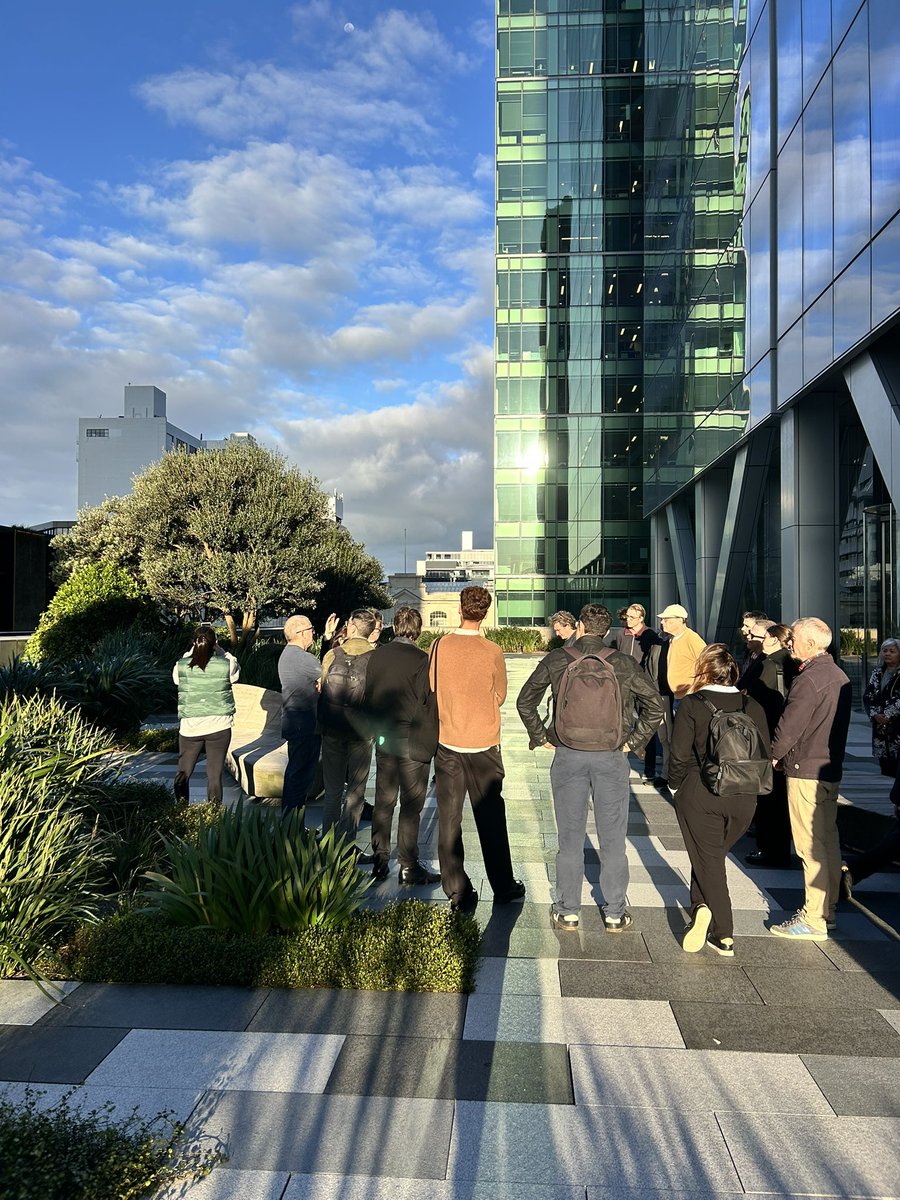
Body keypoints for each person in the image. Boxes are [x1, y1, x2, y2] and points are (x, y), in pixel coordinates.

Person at [516, 603, 665, 934]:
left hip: (568, 754)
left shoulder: (559, 658)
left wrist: (541, 736)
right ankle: (614, 912)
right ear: (608, 631)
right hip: (611, 757)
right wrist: (632, 741)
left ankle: (568, 910)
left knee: (570, 837)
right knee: (613, 837)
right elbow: (655, 706)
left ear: (581, 626)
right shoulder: (623, 662)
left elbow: (525, 701)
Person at [669, 644, 771, 957]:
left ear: (703, 670)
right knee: (710, 857)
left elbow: (678, 754)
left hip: (702, 790)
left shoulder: (693, 703)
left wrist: (675, 787)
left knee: (709, 859)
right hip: (744, 797)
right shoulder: (752, 704)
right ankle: (700, 906)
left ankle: (723, 933)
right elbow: (764, 751)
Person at [428, 585, 525, 914]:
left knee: (449, 820)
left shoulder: (439, 646)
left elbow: (431, 687)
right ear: (485, 613)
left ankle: (457, 890)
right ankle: (503, 885)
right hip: (484, 744)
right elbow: (499, 695)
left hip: (448, 743)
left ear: (460, 608)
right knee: (492, 819)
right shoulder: (492, 651)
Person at [769, 617, 852, 940]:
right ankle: (827, 910)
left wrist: (775, 755)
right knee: (828, 841)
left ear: (812, 644)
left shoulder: (809, 679)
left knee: (809, 845)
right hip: (828, 769)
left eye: (795, 638)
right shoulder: (837, 675)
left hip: (805, 770)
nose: (790, 642)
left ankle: (814, 917)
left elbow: (791, 725)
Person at [364, 606, 439, 885]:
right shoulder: (422, 660)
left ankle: (380, 860)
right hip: (413, 739)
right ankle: (408, 864)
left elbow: (368, 694)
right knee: (411, 804)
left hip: (385, 737)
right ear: (417, 630)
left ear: (394, 628)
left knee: (384, 800)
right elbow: (427, 699)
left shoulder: (377, 656)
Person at [318, 608, 379, 846]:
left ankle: (327, 843)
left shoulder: (332, 655)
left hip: (331, 728)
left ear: (351, 627)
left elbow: (323, 688)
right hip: (361, 733)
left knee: (332, 791)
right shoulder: (377, 659)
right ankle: (347, 845)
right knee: (356, 791)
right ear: (371, 631)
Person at [744, 621, 796, 868]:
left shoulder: (771, 663)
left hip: (767, 734)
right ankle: (775, 848)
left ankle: (769, 849)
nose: (754, 640)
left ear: (774, 639)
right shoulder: (787, 661)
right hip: (776, 735)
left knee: (769, 796)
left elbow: (759, 697)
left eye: (760, 636)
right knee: (775, 797)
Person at [172, 626, 240, 805]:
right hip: (219, 726)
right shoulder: (228, 665)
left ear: (194, 643)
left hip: (190, 727)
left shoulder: (180, 666)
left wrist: (192, 651)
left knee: (183, 771)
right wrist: (221, 650)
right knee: (214, 774)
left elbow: (176, 680)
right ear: (215, 643)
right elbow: (234, 673)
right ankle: (214, 815)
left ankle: (180, 809)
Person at [278, 614, 321, 815]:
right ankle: (291, 826)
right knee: (300, 777)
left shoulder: (287, 654)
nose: (314, 632)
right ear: (301, 633)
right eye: (311, 629)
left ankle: (291, 823)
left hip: (294, 722)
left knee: (295, 774)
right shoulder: (303, 658)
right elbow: (328, 677)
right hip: (305, 723)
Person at [863, 638, 900, 777]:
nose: (888, 654)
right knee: (885, 766)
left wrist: (888, 715)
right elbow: (868, 696)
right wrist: (874, 714)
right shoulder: (877, 672)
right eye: (885, 651)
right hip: (880, 728)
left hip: (896, 726)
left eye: (892, 651)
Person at [658, 604, 707, 700]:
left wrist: (696, 689)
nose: (662, 622)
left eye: (666, 619)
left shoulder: (692, 639)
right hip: (678, 696)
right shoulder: (672, 639)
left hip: (691, 696)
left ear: (680, 620)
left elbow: (707, 664)